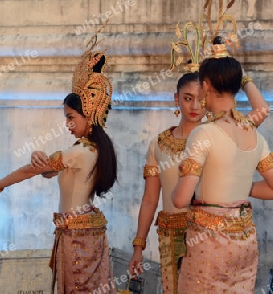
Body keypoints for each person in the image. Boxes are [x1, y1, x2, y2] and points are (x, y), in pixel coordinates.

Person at [0, 32, 117, 293]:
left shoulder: (83, 151)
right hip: (81, 231)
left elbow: (34, 170)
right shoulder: (91, 149)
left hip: (76, 237)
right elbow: (47, 172)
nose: (68, 124)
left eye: (71, 117)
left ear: (90, 114)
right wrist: (39, 157)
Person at [129, 33, 269, 293]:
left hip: (207, 235)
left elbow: (262, 111)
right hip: (174, 234)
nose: (194, 105)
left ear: (206, 89)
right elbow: (150, 199)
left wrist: (234, 74)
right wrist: (139, 245)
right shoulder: (161, 143)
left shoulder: (216, 132)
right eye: (186, 98)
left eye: (198, 96)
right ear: (176, 99)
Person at [171, 39, 273, 292]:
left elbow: (181, 199)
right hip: (245, 242)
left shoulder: (204, 133)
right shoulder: (254, 134)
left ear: (205, 86)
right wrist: (237, 186)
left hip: (210, 243)